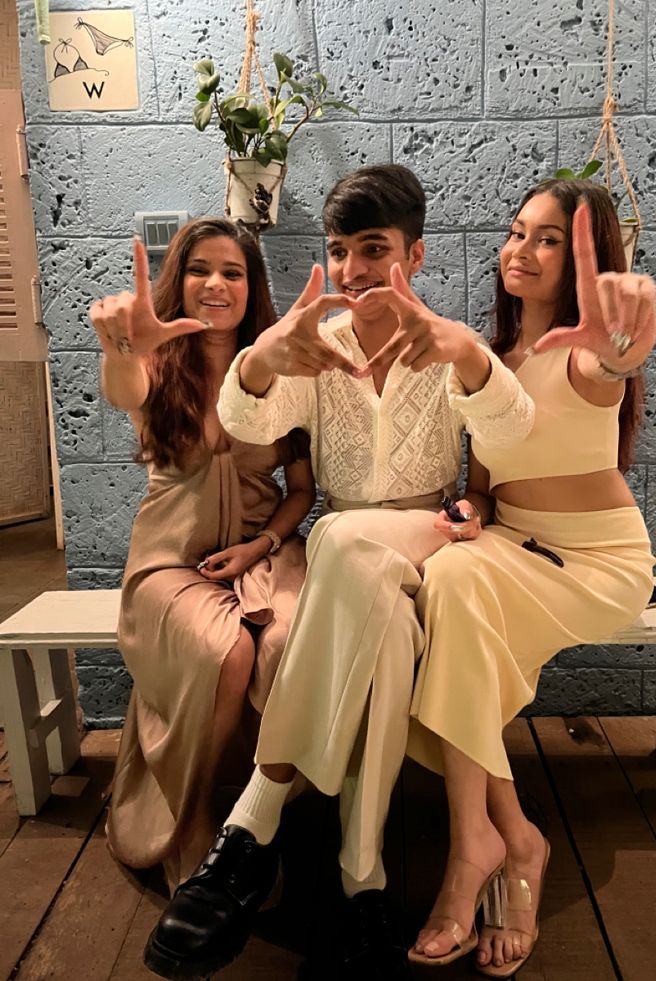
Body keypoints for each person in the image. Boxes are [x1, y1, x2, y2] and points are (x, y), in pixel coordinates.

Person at [142, 164, 535, 981]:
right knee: (372, 605)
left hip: (433, 542)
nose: (353, 269)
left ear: (416, 254)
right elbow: (247, 416)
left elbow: (512, 426)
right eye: (339, 249)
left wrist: (470, 359)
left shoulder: (446, 342)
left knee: (346, 541)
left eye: (374, 249)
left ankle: (254, 820)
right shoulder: (316, 351)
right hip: (353, 565)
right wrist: (260, 361)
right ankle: (365, 876)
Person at [406, 179, 656, 977]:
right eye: (518, 231)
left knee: (453, 594)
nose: (523, 249)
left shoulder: (583, 355)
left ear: (583, 260)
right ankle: (509, 835)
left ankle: (474, 850)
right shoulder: (490, 361)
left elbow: (614, 362)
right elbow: (481, 485)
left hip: (597, 560)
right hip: (512, 549)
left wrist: (624, 343)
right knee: (443, 584)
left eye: (549, 239)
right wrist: (470, 510)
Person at [89, 218, 315, 891]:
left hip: (267, 550)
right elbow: (123, 390)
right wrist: (124, 347)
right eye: (200, 269)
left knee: (287, 648)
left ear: (253, 287)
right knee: (226, 651)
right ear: (178, 281)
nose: (215, 283)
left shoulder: (279, 370)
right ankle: (190, 822)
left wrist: (261, 543)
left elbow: (300, 489)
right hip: (171, 560)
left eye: (233, 272)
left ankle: (260, 816)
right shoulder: (156, 362)